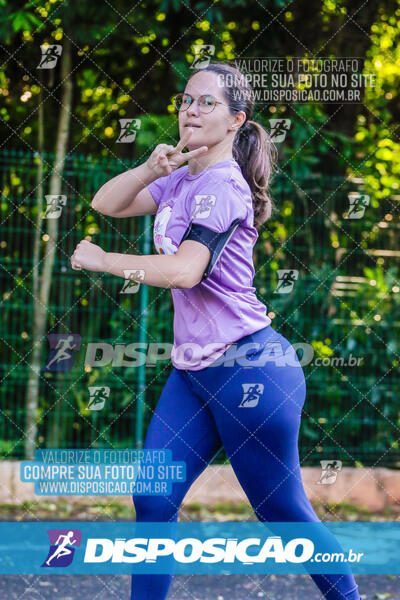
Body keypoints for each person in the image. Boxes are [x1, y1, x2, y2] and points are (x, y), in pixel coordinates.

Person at [71, 61, 361, 600]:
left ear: (236, 120)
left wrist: (103, 260)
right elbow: (105, 203)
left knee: (283, 511)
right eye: (185, 100)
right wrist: (150, 169)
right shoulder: (183, 177)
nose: (191, 110)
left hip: (251, 370)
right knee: (153, 499)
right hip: (194, 373)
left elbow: (185, 269)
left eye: (207, 102)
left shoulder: (225, 188)